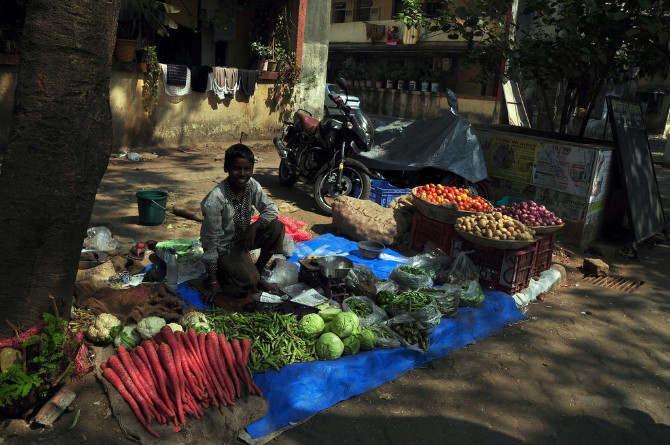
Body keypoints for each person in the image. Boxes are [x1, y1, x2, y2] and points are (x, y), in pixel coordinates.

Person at [199, 143, 285, 303]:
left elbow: (272, 209)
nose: (242, 174)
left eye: (247, 169)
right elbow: (211, 243)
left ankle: (257, 272)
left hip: (243, 240)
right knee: (246, 283)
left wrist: (255, 226)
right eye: (237, 169)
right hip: (223, 249)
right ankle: (231, 276)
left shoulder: (251, 185)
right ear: (226, 168)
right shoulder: (216, 200)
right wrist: (212, 280)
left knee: (277, 227)